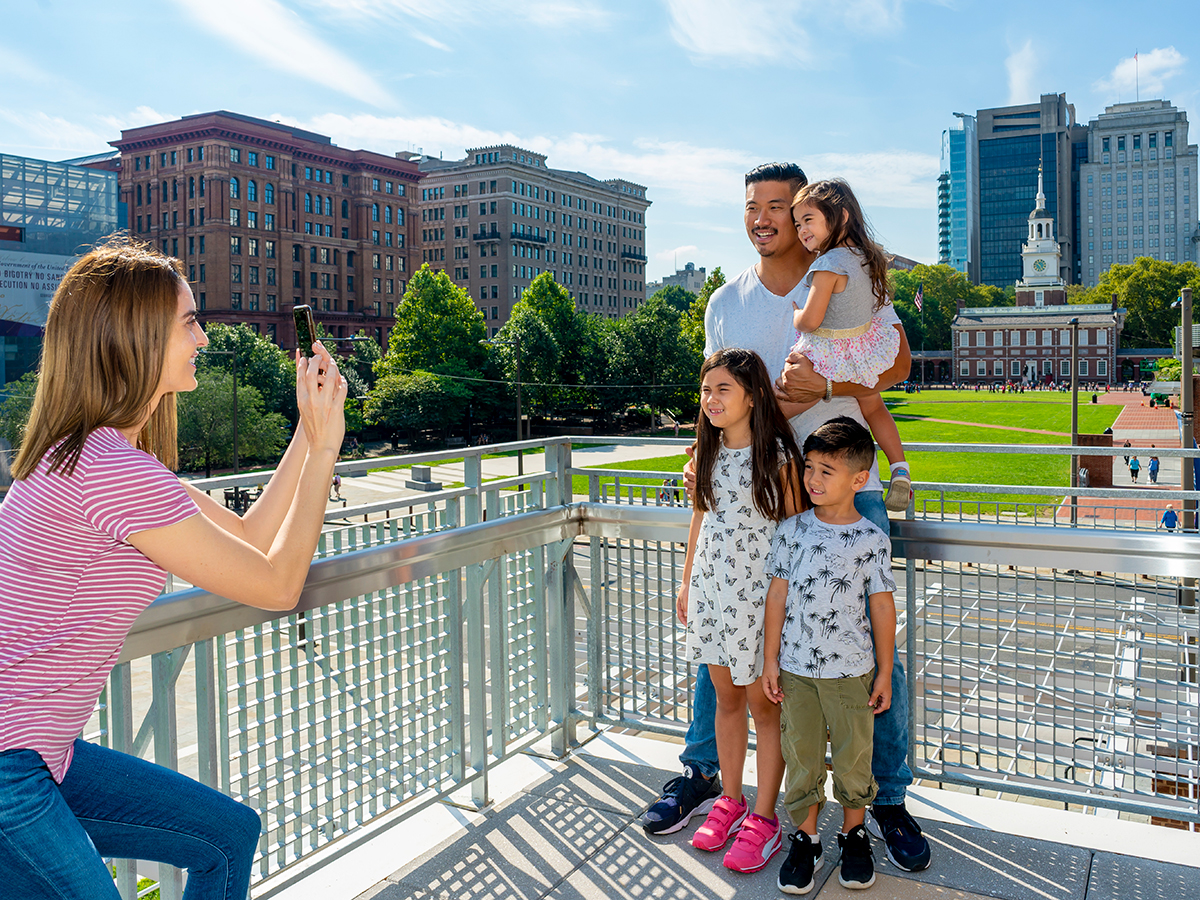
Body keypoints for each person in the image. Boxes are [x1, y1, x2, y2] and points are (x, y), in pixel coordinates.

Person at [0, 239, 347, 897]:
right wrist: (327, 450)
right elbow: (276, 584)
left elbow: (251, 535)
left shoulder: (99, 458)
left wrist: (309, 428)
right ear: (134, 337)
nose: (205, 339)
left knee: (225, 837)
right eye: (190, 321)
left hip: (38, 756)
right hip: (10, 770)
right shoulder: (109, 470)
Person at [642, 163, 930, 875]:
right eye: (754, 208)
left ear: (806, 213)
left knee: (866, 652)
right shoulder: (724, 301)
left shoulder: (838, 275)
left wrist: (828, 386)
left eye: (780, 206)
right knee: (726, 645)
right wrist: (698, 454)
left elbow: (899, 363)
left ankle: (884, 798)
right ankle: (710, 776)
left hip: (838, 493)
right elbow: (719, 392)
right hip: (748, 497)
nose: (766, 219)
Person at [677, 349, 804, 872]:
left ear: (753, 395)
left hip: (759, 603)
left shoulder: (776, 457)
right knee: (725, 702)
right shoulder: (703, 453)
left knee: (764, 708)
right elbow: (698, 520)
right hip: (712, 596)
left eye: (722, 390)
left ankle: (766, 818)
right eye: (706, 391)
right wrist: (686, 584)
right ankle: (731, 799)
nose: (711, 400)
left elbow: (798, 534)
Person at [764, 417, 896, 892]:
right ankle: (805, 839)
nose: (813, 480)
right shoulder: (791, 531)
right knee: (800, 756)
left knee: (853, 756)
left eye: (827, 471)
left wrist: (884, 671)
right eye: (810, 468)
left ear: (859, 480)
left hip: (852, 673)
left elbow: (882, 605)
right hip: (796, 673)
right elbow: (776, 596)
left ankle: (853, 834)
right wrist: (770, 659)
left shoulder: (871, 540)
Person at [788, 179, 910, 512]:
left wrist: (797, 316)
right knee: (874, 407)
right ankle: (900, 469)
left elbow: (812, 321)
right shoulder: (868, 260)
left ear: (840, 217)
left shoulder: (827, 264)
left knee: (785, 396)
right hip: (862, 350)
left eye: (808, 220)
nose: (801, 230)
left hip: (826, 349)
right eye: (797, 224)